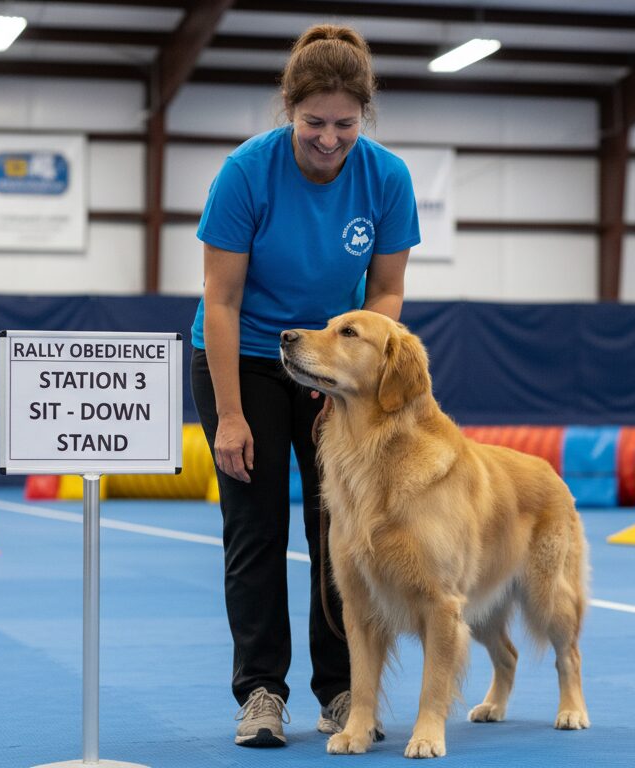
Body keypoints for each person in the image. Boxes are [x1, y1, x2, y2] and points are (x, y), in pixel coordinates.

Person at [189, 23, 420, 748]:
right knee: (256, 528)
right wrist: (230, 417)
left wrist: (345, 368)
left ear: (365, 118)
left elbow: (386, 294)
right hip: (246, 357)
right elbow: (220, 301)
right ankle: (260, 691)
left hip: (331, 363)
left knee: (342, 535)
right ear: (290, 112)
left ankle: (344, 689)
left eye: (344, 125)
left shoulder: (385, 178)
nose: (328, 139)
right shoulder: (246, 174)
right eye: (313, 123)